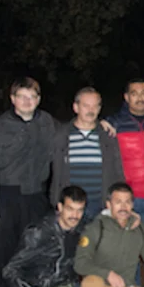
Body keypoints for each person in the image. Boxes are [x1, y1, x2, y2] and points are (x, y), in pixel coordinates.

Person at [0, 77, 56, 287]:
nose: (27, 101)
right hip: (5, 197)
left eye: (32, 97)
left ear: (39, 99)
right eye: (22, 96)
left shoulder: (47, 122)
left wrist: (102, 125)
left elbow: (70, 132)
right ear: (13, 99)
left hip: (36, 197)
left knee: (35, 255)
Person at [3, 186, 88, 287]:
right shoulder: (38, 232)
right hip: (33, 285)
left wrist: (131, 219)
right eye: (70, 209)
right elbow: (10, 269)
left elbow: (106, 227)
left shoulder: (82, 230)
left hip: (60, 284)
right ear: (60, 207)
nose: (75, 215)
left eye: (79, 210)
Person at [51, 87, 124, 219]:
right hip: (71, 206)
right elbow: (55, 174)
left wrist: (119, 202)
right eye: (86, 106)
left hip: (100, 206)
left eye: (95, 106)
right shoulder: (61, 135)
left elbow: (117, 171)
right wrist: (56, 202)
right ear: (76, 107)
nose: (91, 110)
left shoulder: (108, 136)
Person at [106, 79, 144, 244]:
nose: (140, 98)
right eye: (134, 93)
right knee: (130, 250)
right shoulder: (115, 123)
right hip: (129, 199)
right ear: (126, 97)